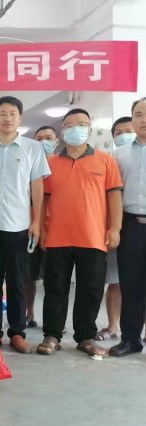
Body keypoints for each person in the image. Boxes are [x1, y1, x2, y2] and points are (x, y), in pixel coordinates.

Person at [37, 109, 123, 357]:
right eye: (70, 125)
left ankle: (85, 336)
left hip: (93, 236)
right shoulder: (50, 163)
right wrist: (41, 228)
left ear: (90, 128)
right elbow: (43, 199)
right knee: (55, 288)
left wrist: (115, 228)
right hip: (57, 236)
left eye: (82, 124)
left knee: (91, 289)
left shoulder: (105, 161)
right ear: (63, 130)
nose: (77, 129)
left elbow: (114, 196)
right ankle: (52, 335)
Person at [0, 96, 50, 353]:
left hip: (19, 225)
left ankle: (17, 332)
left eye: (12, 113)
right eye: (2, 114)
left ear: (20, 118)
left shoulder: (33, 148)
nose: (7, 118)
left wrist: (36, 221)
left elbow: (37, 186)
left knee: (18, 280)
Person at [110, 98, 146, 357]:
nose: (144, 119)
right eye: (139, 114)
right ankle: (131, 339)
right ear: (132, 119)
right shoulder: (118, 155)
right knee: (131, 285)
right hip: (130, 225)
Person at [96, 117, 135, 341]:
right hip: (117, 223)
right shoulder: (110, 159)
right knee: (116, 279)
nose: (124, 135)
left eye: (128, 130)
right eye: (119, 132)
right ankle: (112, 326)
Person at [24, 126, 60, 328]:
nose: (43, 142)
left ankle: (53, 321)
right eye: (39, 138)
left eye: (48, 138)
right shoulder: (28, 163)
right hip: (29, 228)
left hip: (55, 230)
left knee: (53, 279)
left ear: (56, 141)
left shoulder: (61, 165)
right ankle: (28, 313)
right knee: (27, 276)